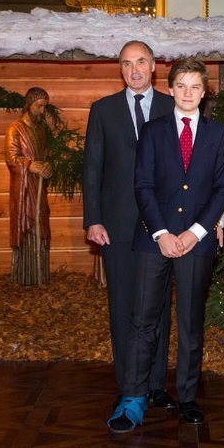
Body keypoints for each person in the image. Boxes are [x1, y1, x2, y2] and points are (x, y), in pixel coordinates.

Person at [107, 58, 224, 433]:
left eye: (196, 87)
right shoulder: (153, 131)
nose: (189, 93)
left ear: (205, 92)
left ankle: (188, 397)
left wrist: (196, 232)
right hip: (154, 240)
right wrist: (162, 234)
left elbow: (222, 188)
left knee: (191, 323)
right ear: (171, 88)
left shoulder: (217, 135)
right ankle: (133, 397)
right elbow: (142, 185)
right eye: (182, 86)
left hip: (197, 241)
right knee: (143, 320)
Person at [83, 40, 176, 411]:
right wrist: (93, 219)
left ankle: (155, 383)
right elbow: (92, 168)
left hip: (163, 225)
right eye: (126, 64)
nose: (134, 70)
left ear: (153, 66)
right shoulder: (103, 110)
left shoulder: (173, 106)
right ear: (119, 69)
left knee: (158, 306)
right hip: (117, 224)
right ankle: (128, 383)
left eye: (140, 62)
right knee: (122, 303)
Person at [5, 87, 53, 286]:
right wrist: (29, 165)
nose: (42, 111)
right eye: (39, 106)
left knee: (40, 223)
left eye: (45, 107)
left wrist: (48, 167)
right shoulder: (14, 129)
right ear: (29, 104)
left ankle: (40, 274)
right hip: (24, 190)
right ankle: (25, 275)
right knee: (27, 222)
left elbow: (46, 156)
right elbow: (11, 158)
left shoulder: (41, 130)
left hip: (39, 188)